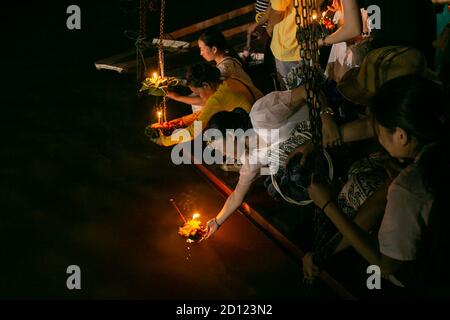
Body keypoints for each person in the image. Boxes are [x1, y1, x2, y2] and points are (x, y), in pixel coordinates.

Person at [308, 75, 450, 297]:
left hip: (427, 279)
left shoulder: (409, 187)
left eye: (380, 131)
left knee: (365, 274)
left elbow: (386, 264)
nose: (377, 137)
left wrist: (327, 205)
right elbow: (377, 202)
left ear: (401, 135)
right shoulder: (434, 144)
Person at [201, 84, 342, 239]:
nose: (221, 154)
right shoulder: (249, 161)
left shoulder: (261, 115)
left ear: (230, 136)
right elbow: (237, 196)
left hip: (334, 126)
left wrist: (326, 117)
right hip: (325, 161)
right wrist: (217, 221)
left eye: (219, 148)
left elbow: (308, 90)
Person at [152, 62, 262, 147]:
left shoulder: (217, 99)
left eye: (198, 93)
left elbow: (192, 131)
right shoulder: (230, 81)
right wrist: (180, 121)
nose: (200, 97)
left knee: (211, 135)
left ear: (206, 85)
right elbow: (205, 112)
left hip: (257, 132)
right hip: (265, 114)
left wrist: (165, 141)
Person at [166, 28, 254, 113]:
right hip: (246, 102)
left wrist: (176, 96)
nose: (201, 53)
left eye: (202, 49)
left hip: (246, 109)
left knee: (198, 107)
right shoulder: (228, 60)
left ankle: (199, 128)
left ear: (214, 49)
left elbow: (206, 99)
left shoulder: (224, 69)